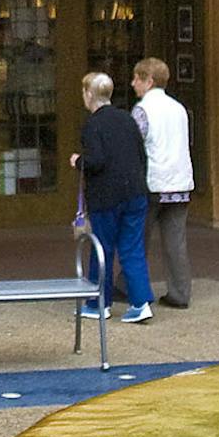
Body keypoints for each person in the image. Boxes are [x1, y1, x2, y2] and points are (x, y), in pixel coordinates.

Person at [70, 70, 153, 324]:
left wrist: (78, 161)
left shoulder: (93, 124)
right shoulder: (127, 119)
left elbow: (96, 160)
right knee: (132, 248)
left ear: (88, 94)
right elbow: (141, 155)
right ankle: (140, 302)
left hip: (107, 196)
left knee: (102, 248)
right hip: (136, 192)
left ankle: (98, 302)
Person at [130, 56, 193, 309]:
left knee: (137, 239)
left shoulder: (142, 110)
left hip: (153, 182)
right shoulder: (178, 108)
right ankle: (180, 293)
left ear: (149, 81)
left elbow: (135, 142)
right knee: (175, 242)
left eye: (137, 78)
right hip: (180, 182)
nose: (133, 83)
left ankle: (131, 286)